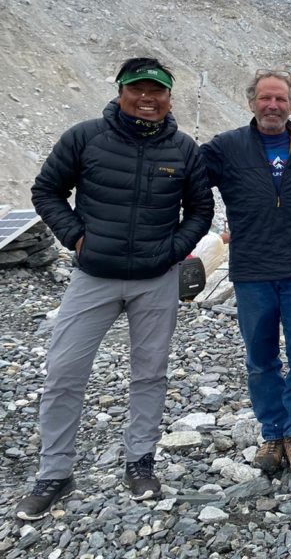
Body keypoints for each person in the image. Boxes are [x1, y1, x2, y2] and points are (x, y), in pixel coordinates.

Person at [17, 58, 213, 520]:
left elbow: (200, 210)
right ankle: (54, 472)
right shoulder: (85, 137)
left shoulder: (184, 149)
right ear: (121, 91)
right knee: (64, 371)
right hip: (93, 276)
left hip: (156, 280)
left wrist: (173, 250)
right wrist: (75, 236)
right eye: (138, 89)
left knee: (150, 373)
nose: (148, 99)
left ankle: (140, 461)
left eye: (157, 91)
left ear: (169, 97)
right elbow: (46, 190)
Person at [200, 69, 291, 474]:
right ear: (251, 102)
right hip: (252, 269)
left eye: (280, 99)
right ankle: (272, 433)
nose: (272, 106)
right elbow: (183, 176)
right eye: (265, 98)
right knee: (261, 357)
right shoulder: (226, 147)